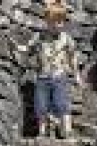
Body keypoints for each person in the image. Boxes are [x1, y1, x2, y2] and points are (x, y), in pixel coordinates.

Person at [29, 1, 82, 138]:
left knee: (62, 103)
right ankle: (42, 131)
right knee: (41, 105)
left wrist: (76, 75)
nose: (58, 25)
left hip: (59, 76)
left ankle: (67, 130)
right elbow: (28, 49)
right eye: (54, 22)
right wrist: (18, 48)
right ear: (47, 21)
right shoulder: (39, 37)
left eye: (61, 22)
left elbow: (73, 57)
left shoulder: (66, 39)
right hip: (43, 76)